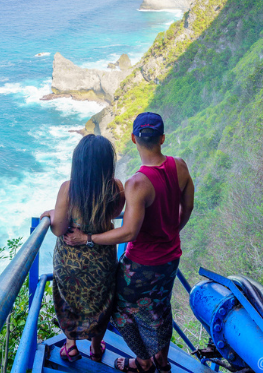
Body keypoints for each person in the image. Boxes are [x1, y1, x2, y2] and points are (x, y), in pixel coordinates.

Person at [65, 112, 194, 373]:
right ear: (162, 138)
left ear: (134, 139)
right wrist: (172, 230)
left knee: (119, 311)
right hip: (170, 258)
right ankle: (162, 359)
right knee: (160, 307)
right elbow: (188, 205)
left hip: (142, 264)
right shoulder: (179, 165)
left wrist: (87, 238)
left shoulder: (137, 183)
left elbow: (128, 233)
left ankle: (144, 362)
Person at [40, 134, 125, 363]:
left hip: (71, 261)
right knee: (101, 301)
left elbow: (58, 229)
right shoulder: (116, 188)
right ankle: (96, 347)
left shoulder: (69, 188)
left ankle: (71, 344)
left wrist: (52, 213)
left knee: (68, 300)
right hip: (102, 259)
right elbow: (115, 215)